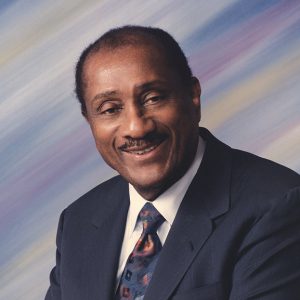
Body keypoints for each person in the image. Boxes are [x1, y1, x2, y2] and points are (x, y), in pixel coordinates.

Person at [45, 25, 300, 300]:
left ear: (193, 97)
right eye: (110, 109)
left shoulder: (278, 205)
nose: (136, 127)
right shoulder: (78, 222)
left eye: (153, 98)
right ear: (90, 121)